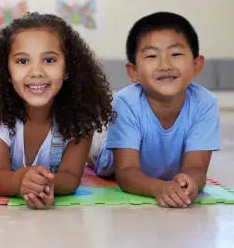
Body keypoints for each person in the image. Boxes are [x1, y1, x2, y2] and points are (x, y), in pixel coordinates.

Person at [0, 12, 115, 209]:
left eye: (49, 60)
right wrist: (22, 180)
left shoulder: (81, 110)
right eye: (22, 61)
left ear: (68, 68)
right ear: (7, 72)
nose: (36, 72)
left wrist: (44, 184)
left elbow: (71, 178)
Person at [89, 12, 220, 208]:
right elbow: (126, 172)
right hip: (109, 154)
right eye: (152, 56)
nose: (165, 65)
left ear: (196, 65)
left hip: (156, 161)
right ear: (133, 72)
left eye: (175, 54)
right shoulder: (126, 102)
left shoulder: (205, 103)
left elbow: (197, 168)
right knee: (91, 146)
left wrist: (190, 183)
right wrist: (158, 188)